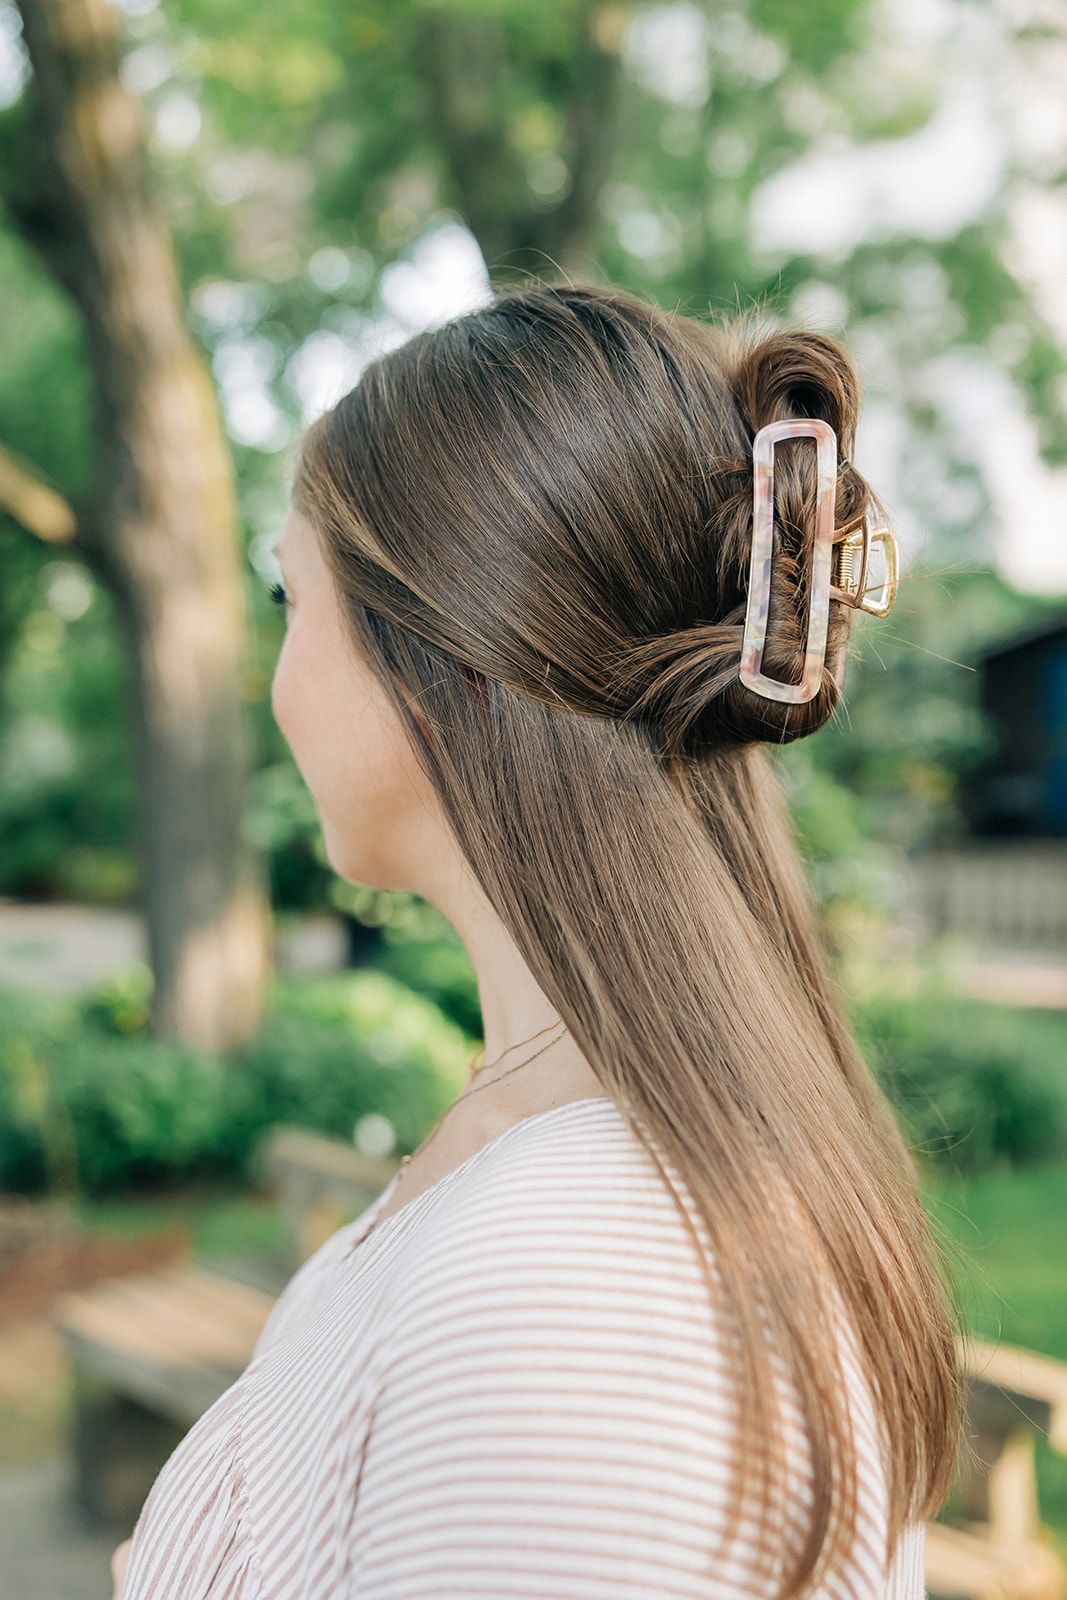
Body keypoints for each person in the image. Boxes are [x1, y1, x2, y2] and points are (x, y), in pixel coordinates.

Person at [115, 280, 964, 1599]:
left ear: (435, 662)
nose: (275, 680)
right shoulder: (585, 1177)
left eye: (292, 600)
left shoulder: (575, 1303)